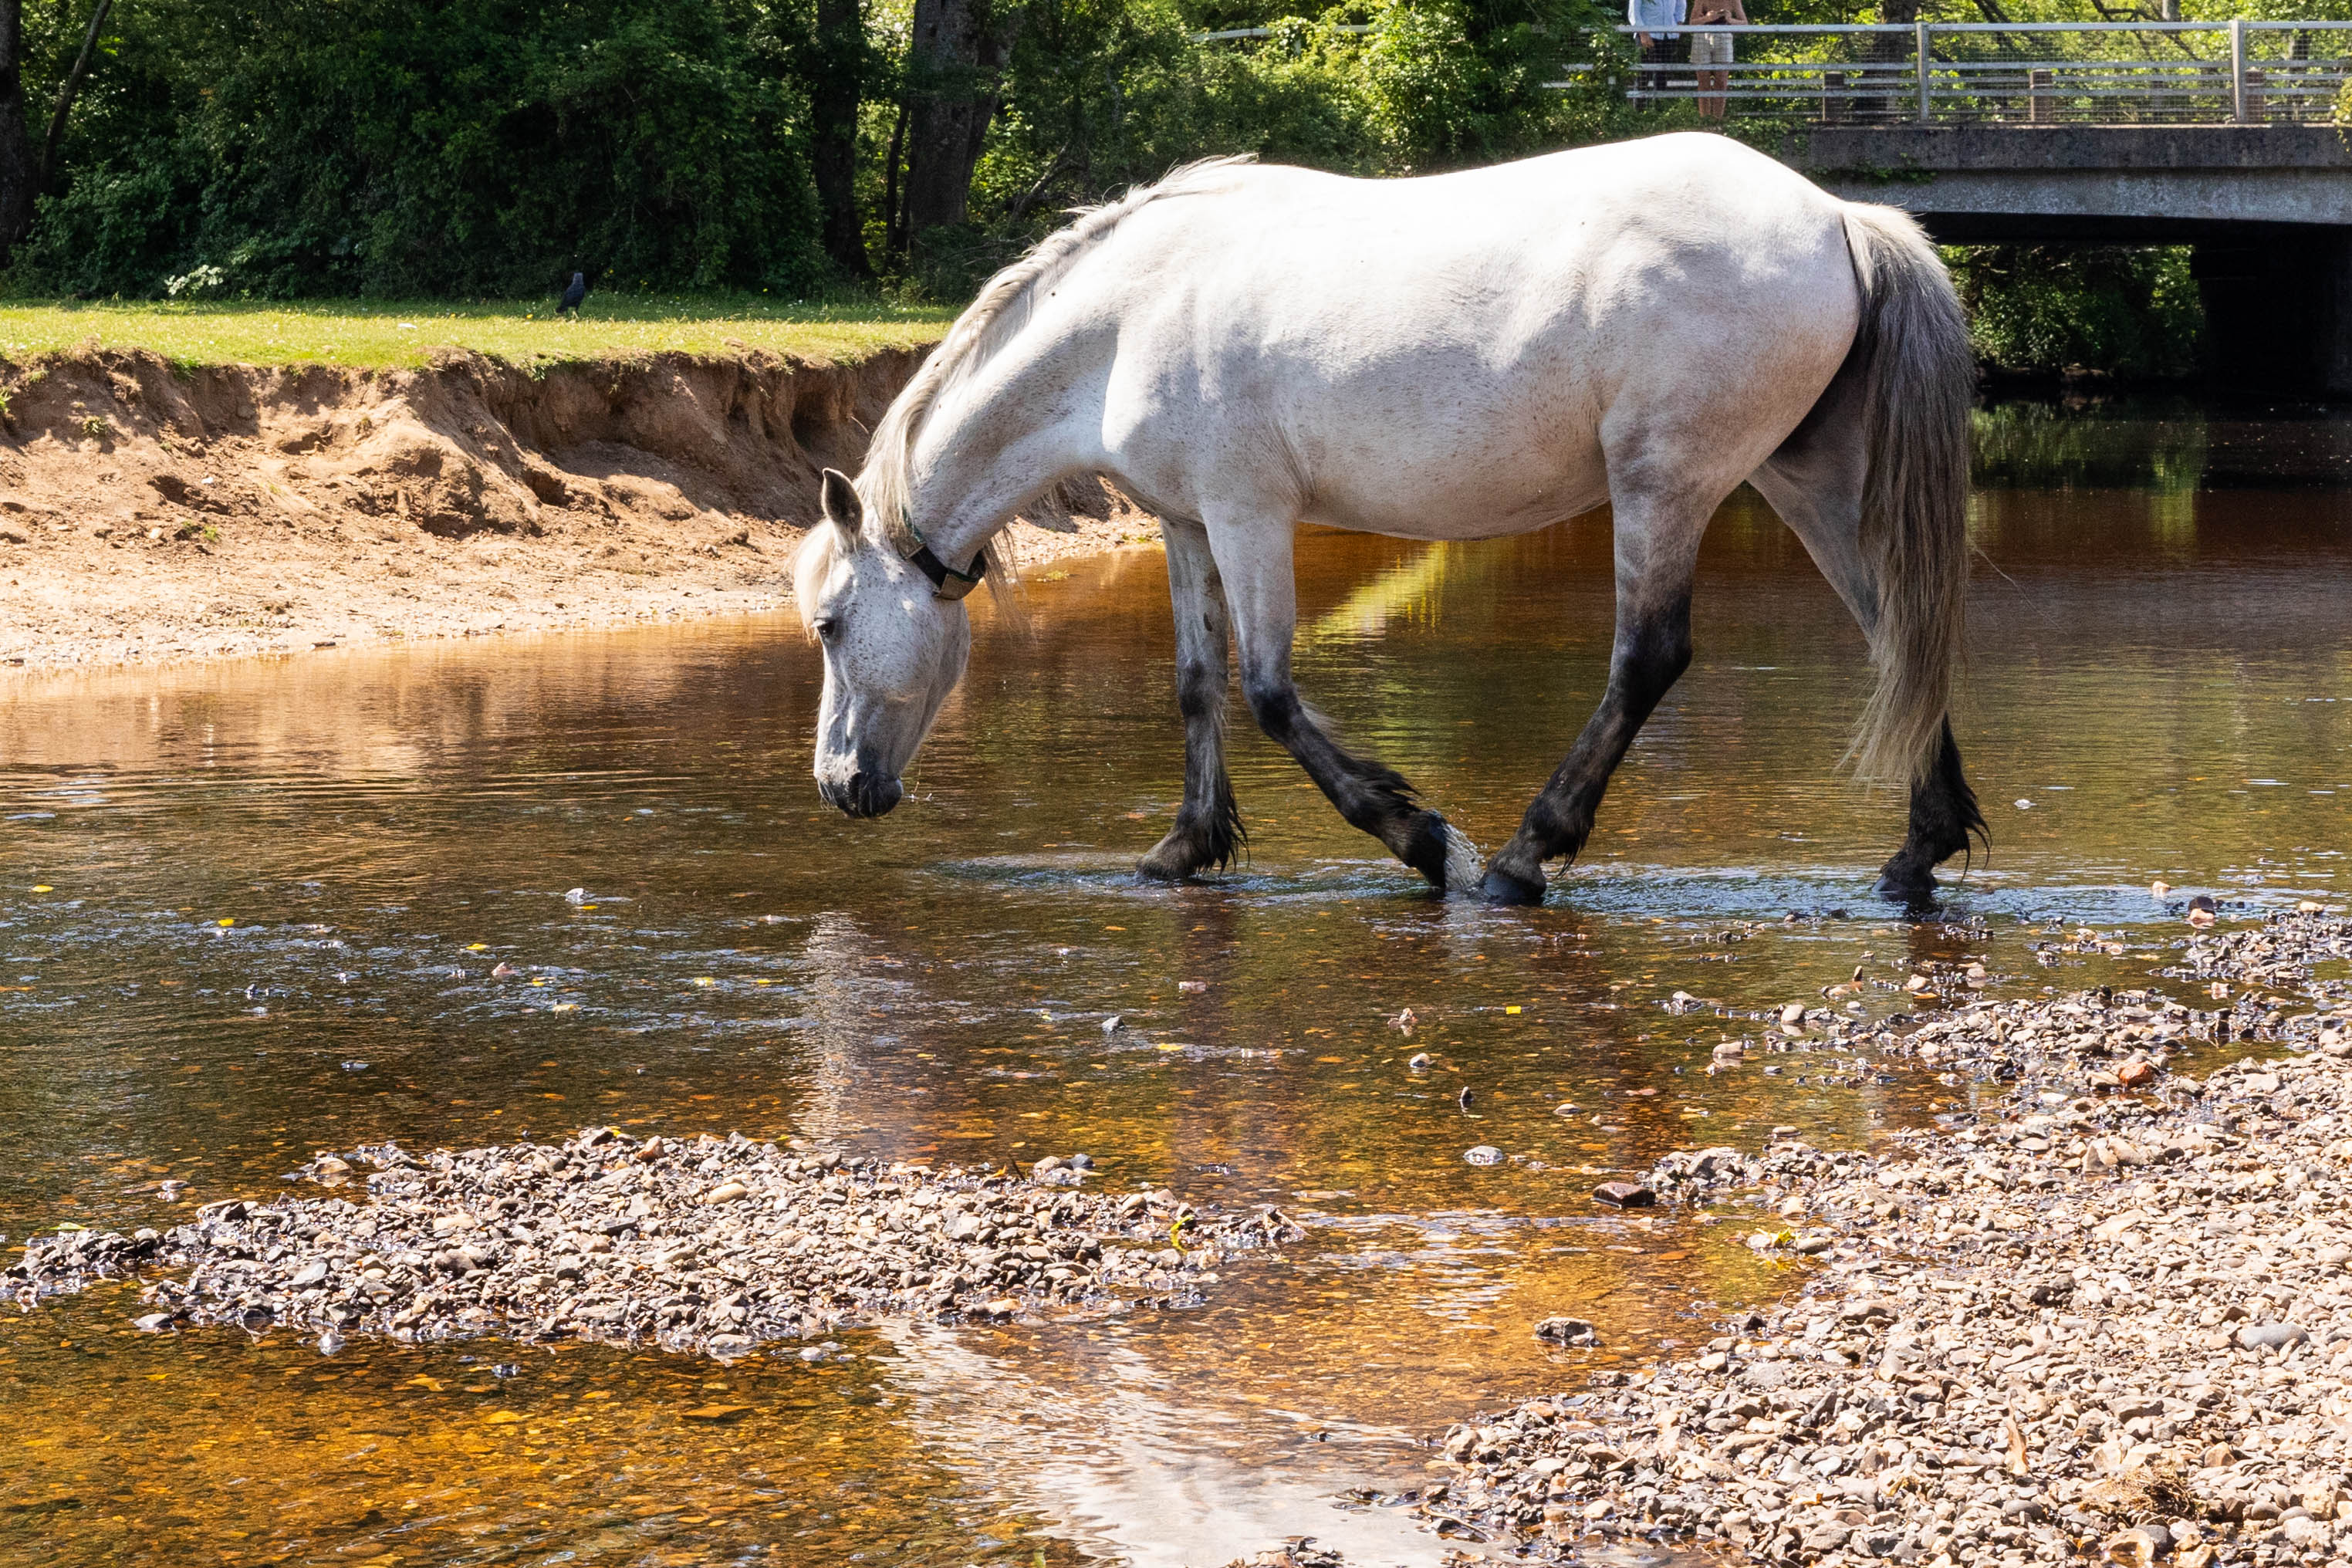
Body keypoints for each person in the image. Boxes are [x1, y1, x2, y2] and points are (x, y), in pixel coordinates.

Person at [1687, 0, 1746, 120]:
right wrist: (1707, 18)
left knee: (1722, 82)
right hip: (1702, 37)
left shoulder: (1734, 1)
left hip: (1724, 38)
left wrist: (1730, 20)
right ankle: (1704, 119)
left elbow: (1745, 24)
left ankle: (1717, 119)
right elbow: (1692, 23)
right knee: (1704, 83)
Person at [1627, 0, 1687, 111]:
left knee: (1662, 75)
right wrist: (1643, 33)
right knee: (1643, 75)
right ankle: (1638, 113)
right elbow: (1634, 11)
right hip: (1647, 36)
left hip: (1668, 35)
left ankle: (1659, 112)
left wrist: (1679, 25)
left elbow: (1681, 5)